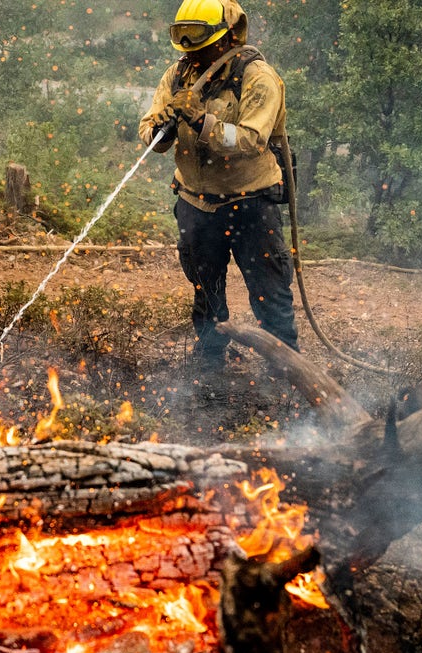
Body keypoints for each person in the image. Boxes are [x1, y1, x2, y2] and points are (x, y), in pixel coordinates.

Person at [139, 0, 298, 373]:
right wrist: (161, 129)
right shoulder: (178, 75)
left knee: (270, 295)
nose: (193, 51)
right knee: (206, 292)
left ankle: (288, 374)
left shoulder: (258, 77)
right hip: (195, 205)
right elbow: (149, 132)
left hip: (251, 205)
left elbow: (250, 140)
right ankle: (210, 366)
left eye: (201, 41)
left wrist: (201, 122)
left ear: (228, 38)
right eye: (185, 40)